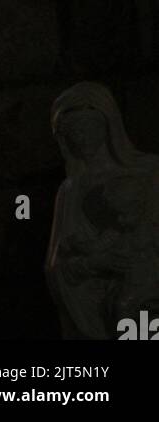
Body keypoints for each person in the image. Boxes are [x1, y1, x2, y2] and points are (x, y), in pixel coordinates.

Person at [45, 81, 159, 338]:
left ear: (108, 125)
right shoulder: (71, 190)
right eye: (73, 131)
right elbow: (58, 266)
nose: (82, 137)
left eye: (88, 127)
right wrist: (95, 263)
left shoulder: (151, 172)